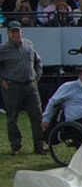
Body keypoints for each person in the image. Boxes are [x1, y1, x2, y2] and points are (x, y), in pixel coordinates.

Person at [0, 22, 45, 154]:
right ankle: (16, 145)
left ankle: (39, 144)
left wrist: (37, 76)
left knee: (37, 114)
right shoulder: (3, 49)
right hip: (13, 85)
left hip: (30, 84)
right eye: (12, 32)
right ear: (8, 33)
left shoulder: (29, 45)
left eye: (17, 31)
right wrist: (2, 80)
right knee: (12, 117)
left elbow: (38, 61)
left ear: (22, 31)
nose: (15, 34)